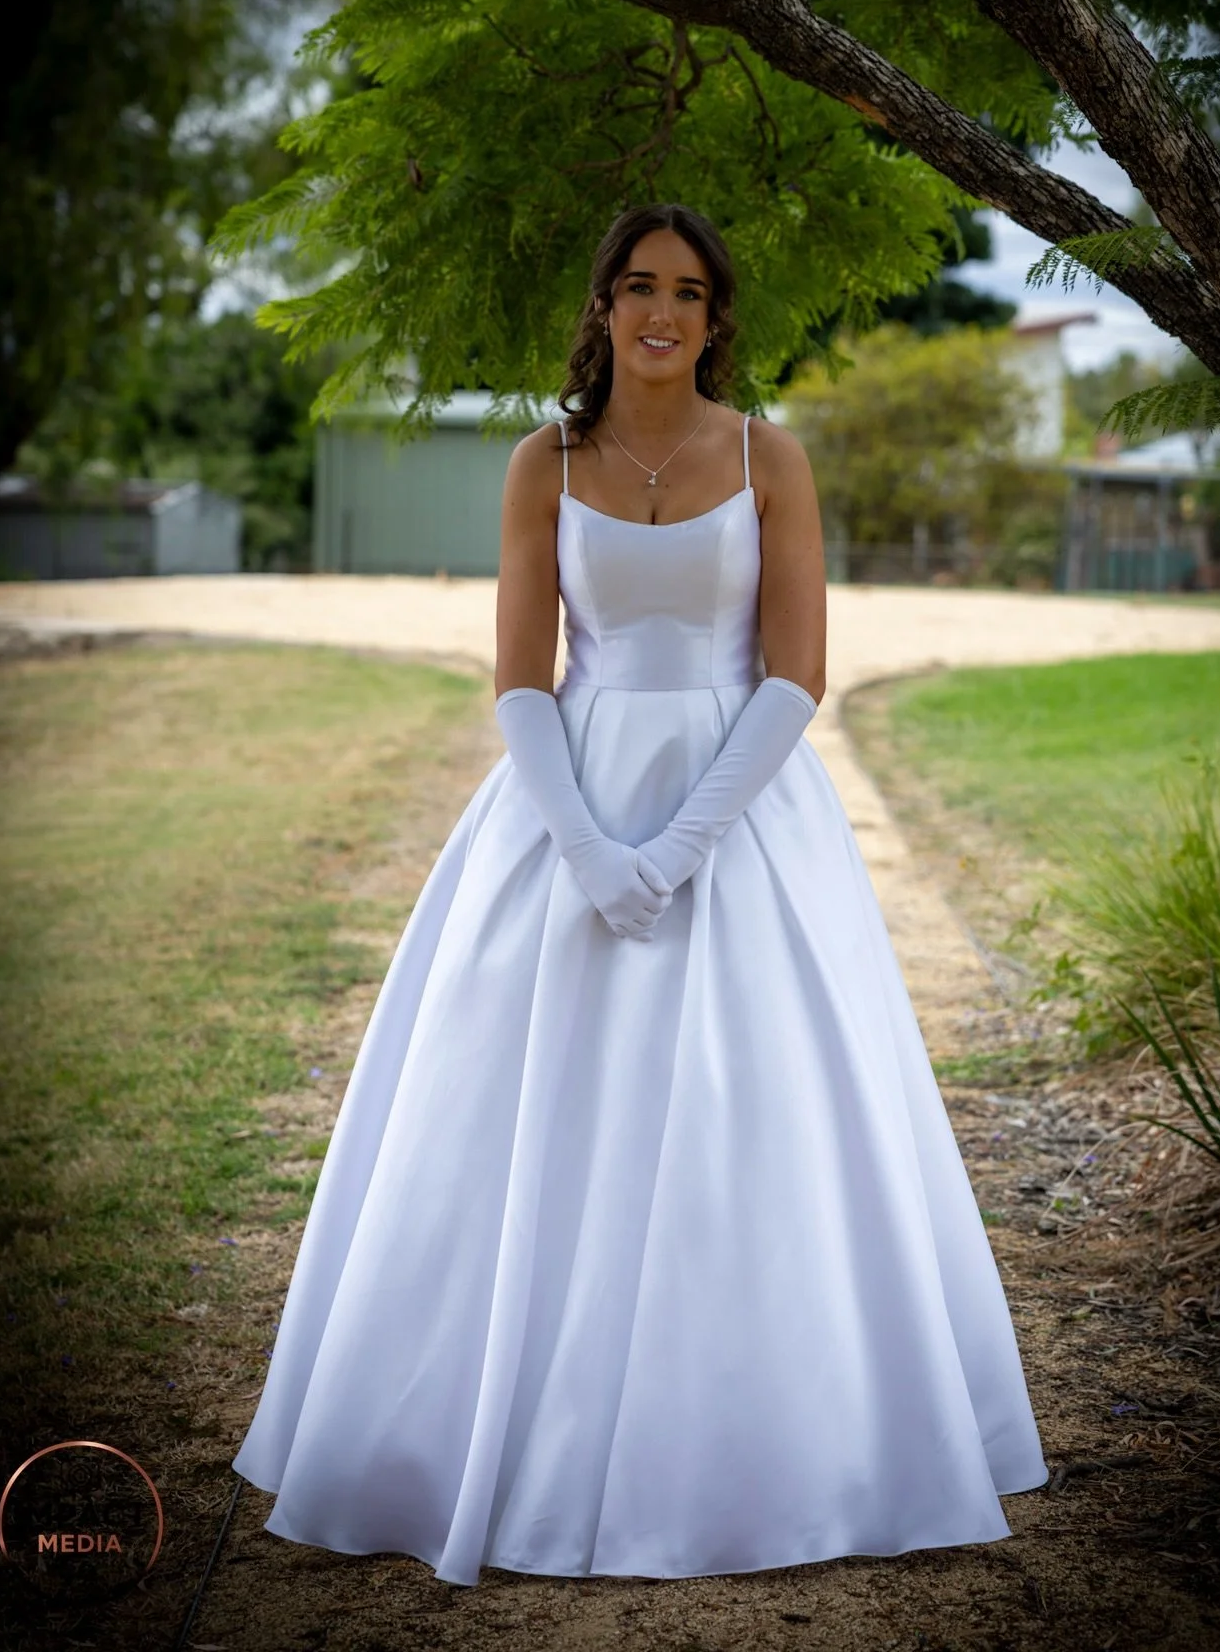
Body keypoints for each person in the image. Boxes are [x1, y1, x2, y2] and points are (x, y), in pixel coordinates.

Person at [231, 203, 1047, 1586]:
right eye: (636, 288)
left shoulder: (767, 456)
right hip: (569, 806)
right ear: (602, 310)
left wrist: (675, 850)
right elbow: (518, 677)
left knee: (764, 1113)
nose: (661, 312)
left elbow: (795, 674)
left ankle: (784, 1446)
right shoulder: (540, 463)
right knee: (525, 1115)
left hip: (742, 813)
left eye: (687, 292)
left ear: (716, 318)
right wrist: (592, 849)